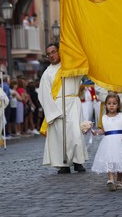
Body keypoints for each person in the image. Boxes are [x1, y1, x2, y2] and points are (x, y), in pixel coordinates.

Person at [38, 43, 88, 174]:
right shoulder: (47, 73)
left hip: (73, 103)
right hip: (58, 107)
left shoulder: (70, 66)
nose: (52, 56)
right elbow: (43, 95)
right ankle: (63, 164)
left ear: (59, 51)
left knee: (76, 134)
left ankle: (78, 162)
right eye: (49, 54)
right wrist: (53, 112)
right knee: (61, 136)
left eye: (54, 52)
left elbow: (83, 69)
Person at [91, 92, 122, 191]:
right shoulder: (104, 118)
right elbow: (103, 130)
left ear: (118, 105)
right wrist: (96, 132)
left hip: (120, 141)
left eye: (114, 104)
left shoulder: (120, 116)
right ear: (106, 105)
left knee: (120, 161)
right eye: (109, 103)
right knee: (110, 160)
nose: (111, 105)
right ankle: (111, 180)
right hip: (109, 142)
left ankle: (119, 181)